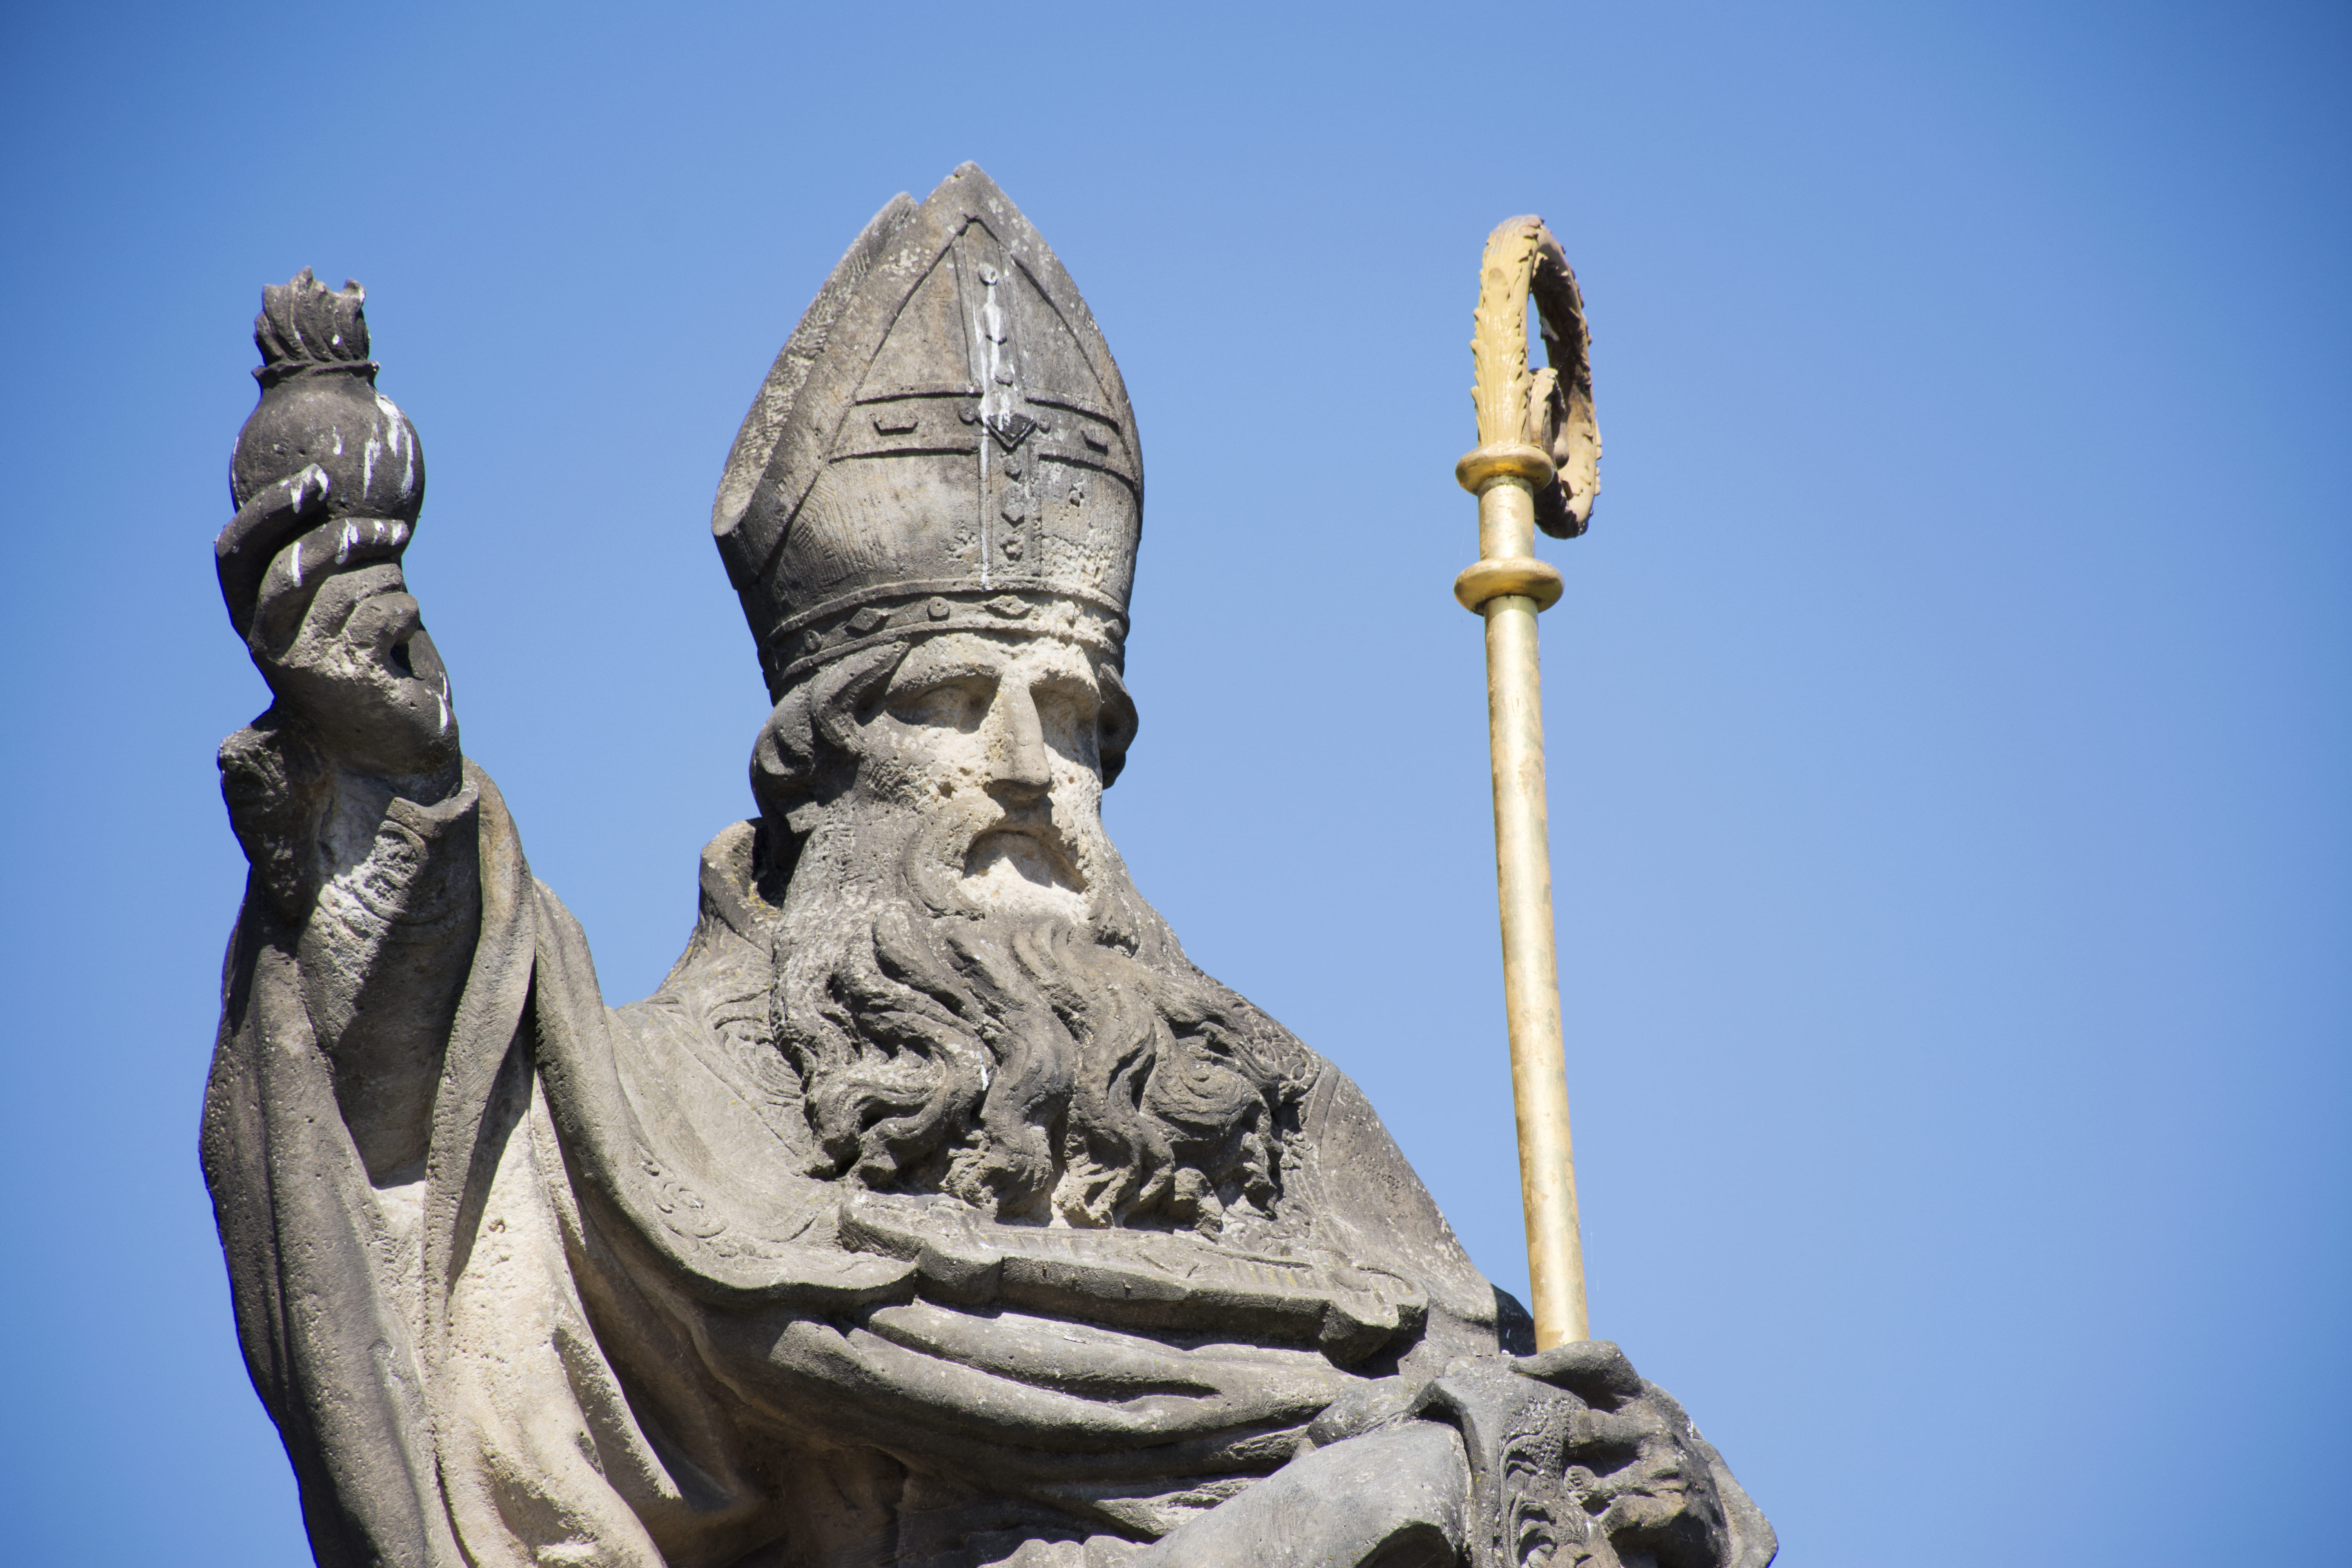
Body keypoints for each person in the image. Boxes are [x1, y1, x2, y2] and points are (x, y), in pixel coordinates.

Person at [205, 163, 1775, 1568]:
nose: (1028, 768)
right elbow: (411, 1195)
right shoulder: (679, 1118)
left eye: (1076, 715)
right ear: (823, 759)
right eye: (957, 700)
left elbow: (1531, 1424)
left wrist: (1618, 1481)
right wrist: (381, 784)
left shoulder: (1279, 1114)